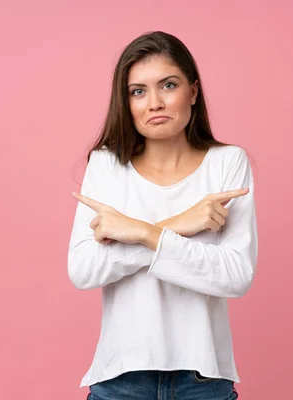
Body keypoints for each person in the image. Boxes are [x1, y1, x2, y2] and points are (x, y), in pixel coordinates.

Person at [67, 31, 258, 400]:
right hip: (121, 377)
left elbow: (236, 275)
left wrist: (141, 233)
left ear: (194, 91)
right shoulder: (108, 165)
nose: (154, 102)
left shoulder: (227, 162)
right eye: (138, 91)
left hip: (203, 378)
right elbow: (83, 269)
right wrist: (177, 225)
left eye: (168, 85)